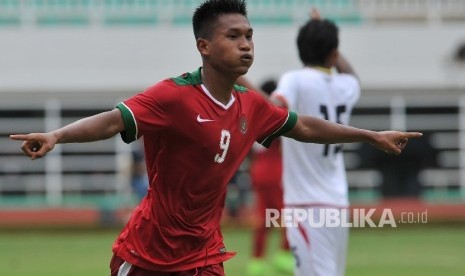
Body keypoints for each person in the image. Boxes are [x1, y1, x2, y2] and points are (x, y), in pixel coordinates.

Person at [10, 1, 421, 275]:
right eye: (233, 37)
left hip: (205, 251)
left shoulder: (252, 105)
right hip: (148, 249)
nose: (246, 45)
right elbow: (114, 120)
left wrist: (370, 136)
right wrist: (56, 135)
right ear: (204, 46)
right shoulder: (173, 96)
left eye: (249, 36)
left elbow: (306, 127)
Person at [271, 9, 360, 276]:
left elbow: (277, 106)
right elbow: (351, 73)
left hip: (305, 204)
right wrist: (323, 32)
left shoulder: (294, 79)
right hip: (338, 201)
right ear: (334, 53)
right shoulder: (348, 85)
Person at [246, 79, 293, 276]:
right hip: (275, 170)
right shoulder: (274, 113)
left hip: (258, 170)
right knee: (286, 216)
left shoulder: (252, 113)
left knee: (263, 218)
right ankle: (284, 256)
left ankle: (256, 261)